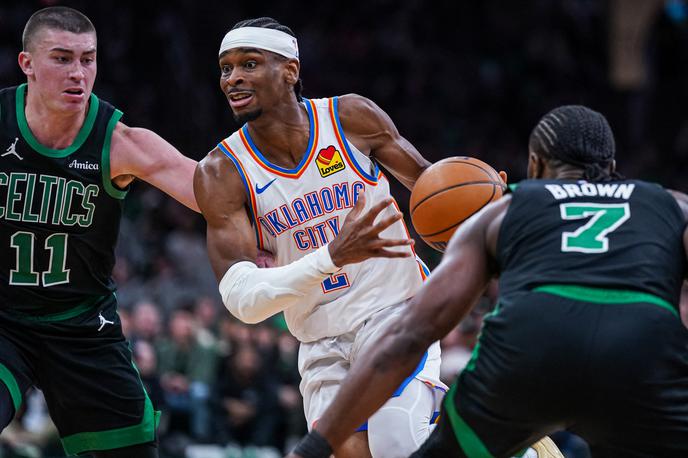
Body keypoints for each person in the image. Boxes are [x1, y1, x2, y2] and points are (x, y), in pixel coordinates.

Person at [287, 105, 688, 458]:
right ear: (613, 166)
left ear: (534, 166)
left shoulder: (502, 212)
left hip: (531, 352)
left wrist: (313, 448)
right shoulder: (671, 203)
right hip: (641, 350)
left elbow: (410, 333)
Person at [194, 16, 449, 458]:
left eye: (249, 64)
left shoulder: (349, 117)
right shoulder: (220, 171)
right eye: (225, 68)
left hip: (396, 308)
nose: (232, 78)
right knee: (350, 450)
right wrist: (330, 257)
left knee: (397, 442)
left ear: (290, 70)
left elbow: (431, 189)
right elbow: (243, 301)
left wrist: (480, 210)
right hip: (318, 335)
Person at [0, 7, 199, 458]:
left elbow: (213, 195)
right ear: (27, 64)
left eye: (87, 59)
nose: (78, 73)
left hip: (83, 324)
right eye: (62, 58)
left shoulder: (120, 141)